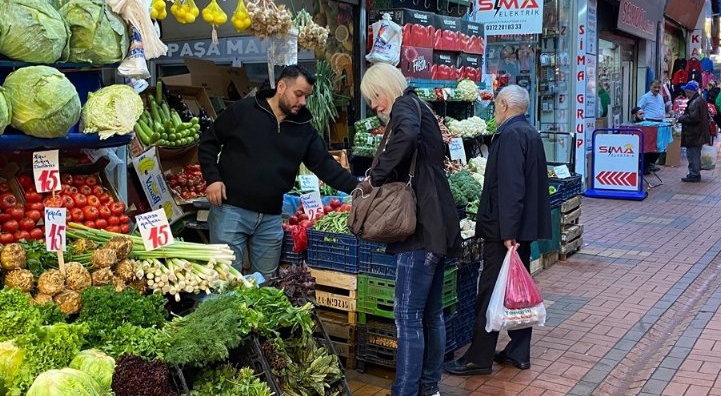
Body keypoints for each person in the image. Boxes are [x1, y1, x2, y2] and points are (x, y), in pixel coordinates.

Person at [359, 63, 461, 396]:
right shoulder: (421, 107)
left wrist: (375, 177)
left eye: (375, 97)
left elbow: (406, 135)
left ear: (387, 86)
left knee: (407, 316)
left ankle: (404, 391)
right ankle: (429, 387)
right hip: (439, 223)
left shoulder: (405, 106)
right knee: (431, 314)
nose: (375, 106)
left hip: (420, 228)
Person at [198, 65, 358, 275]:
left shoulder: (304, 129)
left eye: (306, 97)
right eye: (298, 94)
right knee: (226, 281)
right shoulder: (244, 110)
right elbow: (209, 142)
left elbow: (326, 167)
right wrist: (212, 178)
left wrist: (359, 189)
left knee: (266, 286)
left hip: (271, 218)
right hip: (230, 211)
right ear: (281, 86)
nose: (302, 102)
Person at [444, 85, 551, 376]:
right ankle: (518, 352)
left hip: (505, 232)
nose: (494, 110)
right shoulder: (528, 132)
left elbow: (511, 188)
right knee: (517, 289)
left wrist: (508, 233)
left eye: (495, 106)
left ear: (503, 104)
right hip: (520, 229)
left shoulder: (511, 135)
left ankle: (478, 358)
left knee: (490, 290)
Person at [678, 81, 710, 183]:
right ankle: (694, 172)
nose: (685, 93)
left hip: (694, 133)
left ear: (689, 92)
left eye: (686, 91)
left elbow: (693, 118)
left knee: (693, 154)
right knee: (693, 153)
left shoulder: (695, 102)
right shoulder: (699, 100)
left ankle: (694, 174)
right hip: (698, 133)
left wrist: (681, 118)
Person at [637, 80, 667, 173]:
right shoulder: (645, 97)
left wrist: (664, 121)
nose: (657, 89)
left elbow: (662, 109)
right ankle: (645, 166)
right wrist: (641, 117)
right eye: (655, 87)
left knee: (659, 147)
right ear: (650, 87)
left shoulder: (660, 97)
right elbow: (639, 108)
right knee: (649, 147)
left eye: (658, 87)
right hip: (649, 124)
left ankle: (650, 163)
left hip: (660, 124)